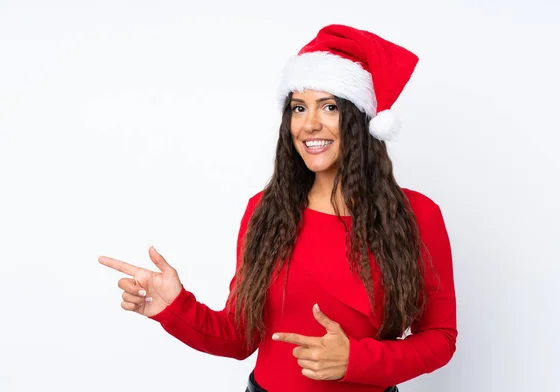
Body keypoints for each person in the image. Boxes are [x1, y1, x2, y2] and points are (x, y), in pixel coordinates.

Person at [98, 24, 457, 392]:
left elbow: (440, 338)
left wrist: (356, 361)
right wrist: (174, 307)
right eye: (298, 108)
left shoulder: (417, 215)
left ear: (361, 119)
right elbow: (239, 337)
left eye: (329, 106)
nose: (309, 124)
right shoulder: (266, 211)